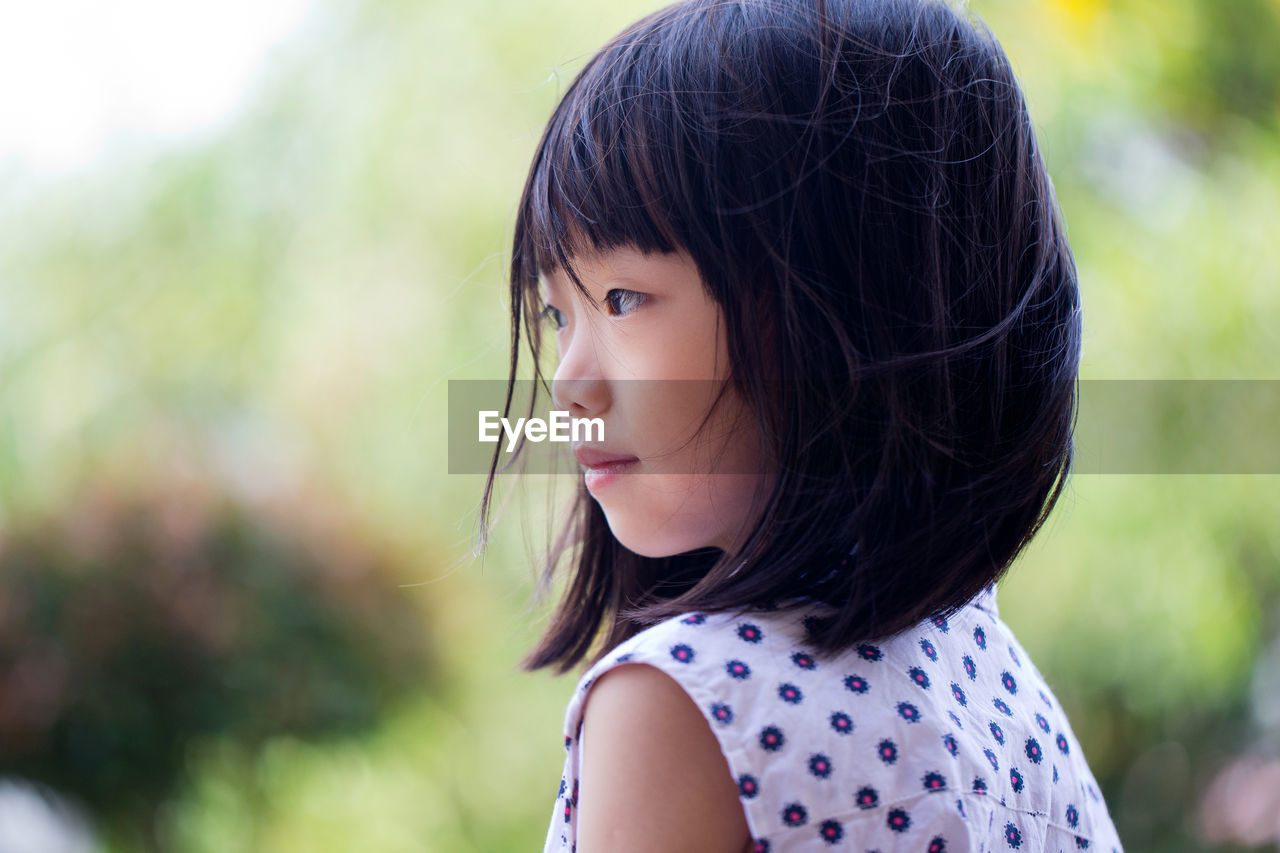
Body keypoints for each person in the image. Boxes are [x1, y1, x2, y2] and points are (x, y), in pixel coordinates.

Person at [478, 0, 1126, 849]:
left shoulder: (684, 705)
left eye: (623, 298)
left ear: (840, 309)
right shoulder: (1011, 708)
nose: (568, 383)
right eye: (558, 316)